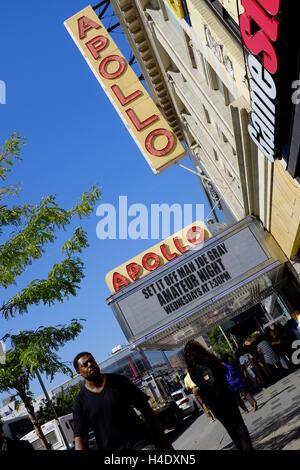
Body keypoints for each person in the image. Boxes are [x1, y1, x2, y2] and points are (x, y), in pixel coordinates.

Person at [72, 352, 173, 450]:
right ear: (78, 371)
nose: (90, 364)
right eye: (85, 364)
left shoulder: (119, 381)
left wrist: (163, 440)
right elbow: (80, 438)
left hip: (139, 442)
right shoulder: (80, 402)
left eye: (91, 360)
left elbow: (147, 411)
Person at [184, 340, 253, 450]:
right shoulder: (209, 360)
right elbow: (224, 370)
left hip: (214, 404)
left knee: (230, 429)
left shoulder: (192, 371)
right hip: (226, 396)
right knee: (239, 426)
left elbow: (202, 384)